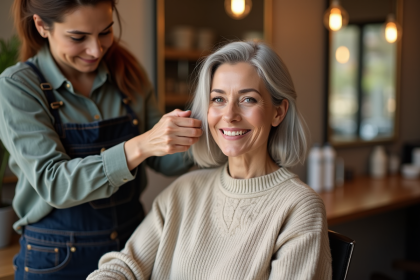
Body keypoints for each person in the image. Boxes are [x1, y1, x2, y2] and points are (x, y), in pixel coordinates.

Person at [88, 41, 332, 279]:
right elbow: (124, 266)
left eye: (248, 99)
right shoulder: (184, 191)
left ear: (278, 112)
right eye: (218, 99)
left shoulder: (299, 207)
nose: (229, 115)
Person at [0, 0, 202, 279]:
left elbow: (165, 163)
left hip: (133, 248)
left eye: (105, 32)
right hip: (56, 259)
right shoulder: (18, 86)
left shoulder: (127, 71)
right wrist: (141, 145)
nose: (96, 50)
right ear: (41, 26)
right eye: (78, 37)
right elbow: (54, 183)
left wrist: (208, 136)